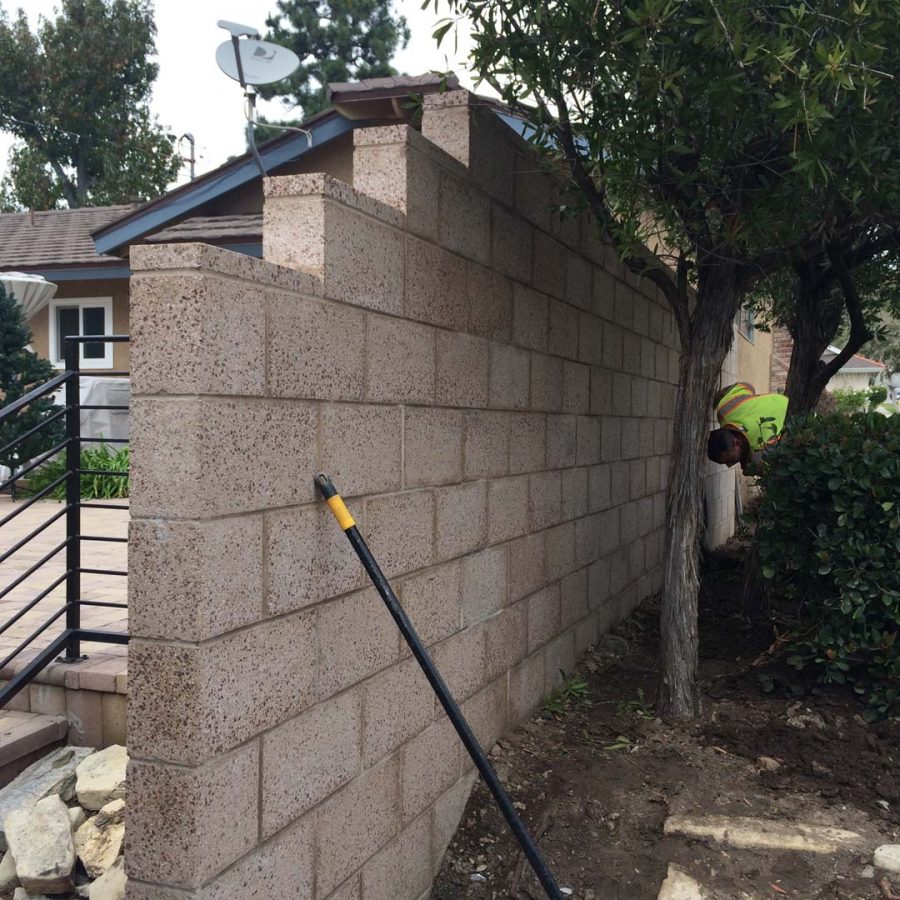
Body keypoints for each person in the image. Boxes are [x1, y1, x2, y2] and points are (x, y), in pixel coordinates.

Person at [707, 382, 788, 475]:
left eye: (731, 459)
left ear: (737, 442)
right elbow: (746, 386)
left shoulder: (762, 450)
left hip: (794, 418)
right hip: (781, 399)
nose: (729, 465)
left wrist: (754, 468)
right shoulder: (725, 409)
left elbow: (773, 473)